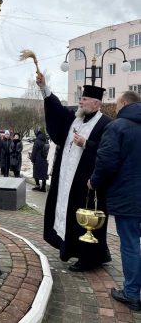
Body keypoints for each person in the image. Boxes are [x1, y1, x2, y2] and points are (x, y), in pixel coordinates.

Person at [36, 72, 112, 272]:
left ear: (96, 103)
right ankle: (76, 250)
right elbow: (57, 112)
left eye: (84, 99)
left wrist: (87, 143)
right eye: (81, 98)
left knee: (88, 219)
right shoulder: (75, 119)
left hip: (87, 183)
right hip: (66, 180)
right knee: (71, 217)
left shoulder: (106, 124)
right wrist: (45, 88)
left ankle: (88, 259)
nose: (81, 102)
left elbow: (108, 153)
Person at [88, 91, 141, 311]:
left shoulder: (117, 126)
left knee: (130, 245)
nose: (116, 108)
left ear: (125, 103)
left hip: (129, 198)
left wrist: (94, 181)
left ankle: (131, 293)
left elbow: (106, 160)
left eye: (117, 104)